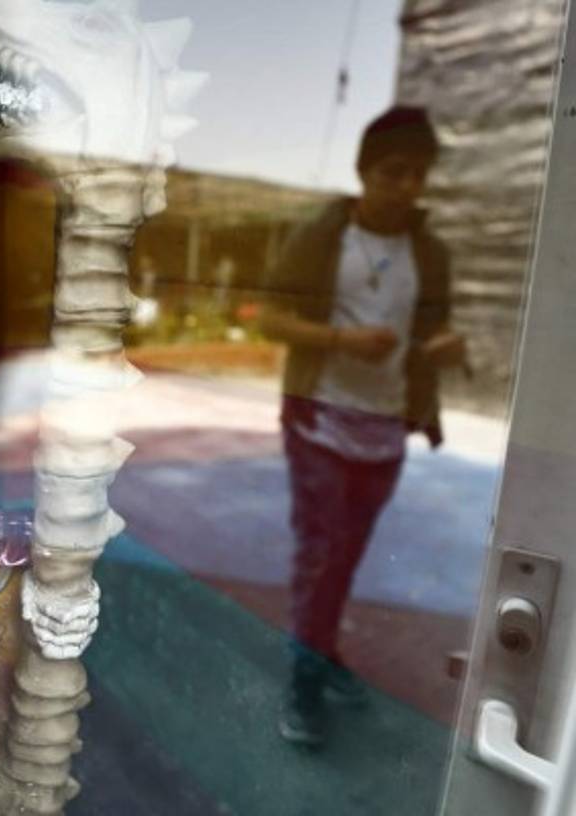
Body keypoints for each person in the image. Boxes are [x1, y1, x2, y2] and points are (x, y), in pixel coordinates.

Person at [259, 106, 467, 747]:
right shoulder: (325, 235)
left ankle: (321, 651)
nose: (406, 186)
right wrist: (341, 339)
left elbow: (434, 331)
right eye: (393, 172)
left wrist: (445, 348)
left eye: (417, 175)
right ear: (365, 171)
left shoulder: (427, 252)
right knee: (319, 553)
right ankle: (304, 680)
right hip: (320, 420)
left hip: (385, 431)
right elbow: (270, 318)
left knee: (345, 558)